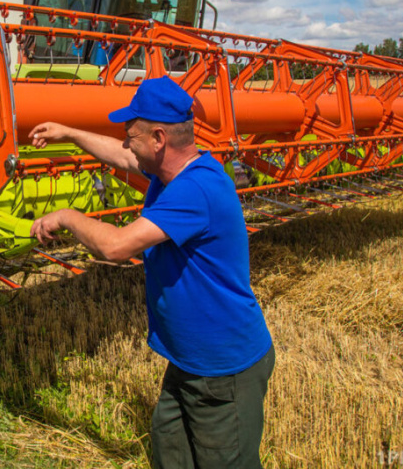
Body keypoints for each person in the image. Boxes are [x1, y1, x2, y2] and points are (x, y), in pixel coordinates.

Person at [29, 76, 274, 469]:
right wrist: (70, 133)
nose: (127, 144)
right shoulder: (171, 172)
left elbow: (116, 247)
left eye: (132, 135)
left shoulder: (195, 190)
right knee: (170, 449)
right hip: (189, 360)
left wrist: (66, 216)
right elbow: (123, 157)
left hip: (222, 369)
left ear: (159, 138)